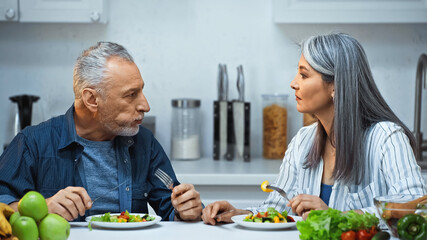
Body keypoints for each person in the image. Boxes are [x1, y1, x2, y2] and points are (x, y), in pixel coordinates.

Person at [202, 32, 426, 225]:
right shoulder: (303, 141)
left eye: (304, 74)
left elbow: (416, 206)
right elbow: (277, 209)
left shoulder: (386, 138)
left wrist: (339, 217)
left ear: (335, 86)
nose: (293, 83)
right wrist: (239, 215)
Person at [0, 42, 202, 222]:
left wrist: (185, 209)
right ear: (91, 100)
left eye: (141, 91)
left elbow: (171, 206)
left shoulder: (144, 142)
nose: (145, 105)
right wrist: (43, 208)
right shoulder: (32, 143)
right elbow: (3, 205)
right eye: (131, 95)